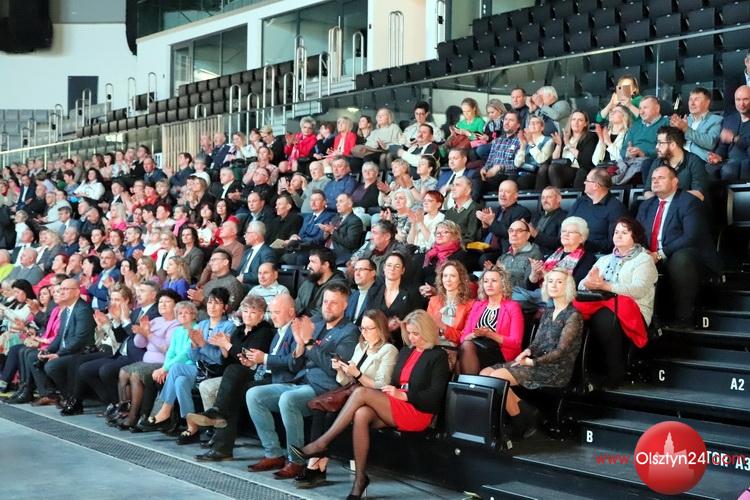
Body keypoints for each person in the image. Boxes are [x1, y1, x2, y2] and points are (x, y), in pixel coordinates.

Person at [291, 310, 450, 500]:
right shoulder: (406, 351)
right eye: (409, 333)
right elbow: (394, 382)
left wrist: (404, 395)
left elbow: (434, 397)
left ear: (427, 331)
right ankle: (360, 479)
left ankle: (322, 443)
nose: (412, 338)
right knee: (361, 414)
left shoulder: (438, 356)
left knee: (361, 392)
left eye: (416, 333)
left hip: (418, 411)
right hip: (398, 403)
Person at [245, 284, 359, 479]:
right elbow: (295, 364)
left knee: (288, 399)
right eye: (325, 301)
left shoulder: (349, 331)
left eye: (333, 303)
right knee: (254, 395)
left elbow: (334, 369)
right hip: (300, 380)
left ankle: (296, 460)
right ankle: (273, 453)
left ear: (345, 306)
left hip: (324, 388)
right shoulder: (316, 324)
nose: (327, 306)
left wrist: (308, 343)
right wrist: (299, 346)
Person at [296, 309, 398, 488]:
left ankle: (317, 459)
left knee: (331, 413)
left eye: (369, 328)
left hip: (374, 400)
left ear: (380, 329)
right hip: (353, 394)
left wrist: (357, 374)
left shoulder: (388, 350)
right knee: (321, 409)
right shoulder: (361, 346)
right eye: (362, 328)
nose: (364, 332)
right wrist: (341, 370)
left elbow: (381, 385)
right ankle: (315, 464)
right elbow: (347, 382)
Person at [189, 294, 295, 462]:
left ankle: (219, 430)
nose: (248, 315)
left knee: (233, 380)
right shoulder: (238, 330)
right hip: (239, 374)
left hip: (256, 373)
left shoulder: (265, 331)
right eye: (245, 311)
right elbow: (231, 359)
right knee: (231, 382)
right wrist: (225, 349)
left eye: (253, 312)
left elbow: (250, 355)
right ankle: (219, 435)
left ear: (261, 315)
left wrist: (228, 346)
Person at [481, 269, 583, 439]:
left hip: (555, 369)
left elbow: (561, 351)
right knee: (485, 373)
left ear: (568, 287)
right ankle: (526, 412)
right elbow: (536, 343)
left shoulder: (573, 316)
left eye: (559, 282)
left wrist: (532, 362)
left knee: (496, 377)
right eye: (550, 281)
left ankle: (518, 419)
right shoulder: (548, 312)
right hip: (536, 361)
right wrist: (526, 352)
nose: (553, 285)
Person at [142, 288, 234, 443]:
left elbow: (220, 359)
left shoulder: (228, 326)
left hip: (214, 372)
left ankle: (165, 411)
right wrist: (194, 345)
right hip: (199, 368)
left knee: (176, 368)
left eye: (217, 303)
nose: (212, 306)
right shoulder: (202, 325)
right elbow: (193, 356)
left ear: (224, 308)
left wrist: (202, 344)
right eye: (210, 302)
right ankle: (192, 427)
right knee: (180, 381)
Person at [577, 217, 658, 387]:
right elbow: (582, 284)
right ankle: (578, 371)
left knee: (604, 316)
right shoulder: (604, 259)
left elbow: (638, 290)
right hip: (602, 306)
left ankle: (615, 371)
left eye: (624, 232)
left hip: (634, 311)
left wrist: (605, 285)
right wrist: (589, 283)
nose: (618, 236)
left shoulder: (644, 260)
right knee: (573, 313)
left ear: (635, 236)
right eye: (616, 232)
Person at [636, 166, 720, 327]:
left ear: (675, 182)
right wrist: (644, 251)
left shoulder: (689, 202)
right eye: (653, 179)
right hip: (653, 255)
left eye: (661, 178)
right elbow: (636, 233)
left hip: (690, 257)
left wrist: (659, 254)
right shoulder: (646, 205)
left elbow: (691, 237)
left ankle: (684, 318)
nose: (655, 181)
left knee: (681, 258)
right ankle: (640, 320)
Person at [108, 290, 182, 428]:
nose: (162, 304)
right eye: (160, 302)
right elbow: (139, 344)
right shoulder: (155, 320)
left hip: (162, 362)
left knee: (136, 375)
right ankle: (125, 410)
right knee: (123, 371)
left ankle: (134, 416)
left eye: (167, 302)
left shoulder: (176, 324)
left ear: (176, 305)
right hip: (146, 361)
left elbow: (166, 348)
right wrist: (142, 332)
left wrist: (148, 334)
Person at [457, 266, 523, 374]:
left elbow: (516, 343)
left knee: (464, 353)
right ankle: (471, 383)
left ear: (503, 284)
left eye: (494, 281)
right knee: (462, 350)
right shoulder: (478, 305)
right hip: (475, 347)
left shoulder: (513, 307)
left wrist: (489, 334)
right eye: (486, 281)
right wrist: (474, 335)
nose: (489, 284)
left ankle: (470, 383)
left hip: (500, 352)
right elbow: (463, 337)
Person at [568, 168, 628, 254]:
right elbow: (565, 225)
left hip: (596, 255)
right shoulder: (580, 202)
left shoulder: (616, 208)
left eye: (587, 180)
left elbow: (613, 243)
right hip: (571, 251)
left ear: (595, 186)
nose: (584, 182)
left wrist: (584, 243)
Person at [613, 96, 669, 185]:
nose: (641, 112)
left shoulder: (666, 123)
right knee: (603, 172)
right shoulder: (635, 125)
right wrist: (628, 153)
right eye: (640, 108)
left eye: (645, 108)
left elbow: (667, 148)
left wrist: (643, 153)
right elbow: (623, 149)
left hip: (652, 162)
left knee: (645, 164)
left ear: (657, 108)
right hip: (631, 162)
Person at [370, 253, 424, 344]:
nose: (392, 268)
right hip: (377, 340)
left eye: (397, 266)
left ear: (403, 270)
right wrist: (385, 327)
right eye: (389, 265)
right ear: (384, 268)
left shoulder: (412, 294)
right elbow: (369, 318)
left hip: (403, 343)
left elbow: (417, 320)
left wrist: (402, 324)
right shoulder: (373, 292)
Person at [643, 126, 707, 201]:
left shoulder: (694, 161)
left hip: (687, 205)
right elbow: (647, 191)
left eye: (661, 143)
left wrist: (669, 198)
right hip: (661, 204)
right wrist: (660, 203)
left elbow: (699, 194)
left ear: (673, 145)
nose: (657, 147)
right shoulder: (657, 162)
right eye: (657, 143)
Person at [475, 179, 532, 264]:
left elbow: (510, 234)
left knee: (485, 259)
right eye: (500, 191)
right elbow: (483, 236)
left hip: (504, 251)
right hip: (484, 248)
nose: (502, 194)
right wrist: (485, 227)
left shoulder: (521, 212)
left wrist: (491, 222)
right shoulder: (496, 210)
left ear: (515, 195)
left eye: (507, 192)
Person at [706, 85, 750, 181]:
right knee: (708, 168)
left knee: (729, 170)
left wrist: (734, 139)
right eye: (738, 100)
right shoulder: (730, 119)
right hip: (728, 160)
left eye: (745, 99)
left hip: (745, 161)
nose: (741, 104)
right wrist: (719, 156)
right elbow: (723, 145)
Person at [426, 260, 476, 345]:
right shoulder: (433, 301)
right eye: (445, 276)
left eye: (452, 276)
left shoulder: (470, 305)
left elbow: (464, 337)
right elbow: (426, 329)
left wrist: (443, 326)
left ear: (460, 279)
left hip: (455, 346)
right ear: (441, 279)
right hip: (433, 344)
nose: (448, 279)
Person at [547, 110, 598, 188]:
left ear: (585, 124)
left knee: (554, 168)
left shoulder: (590, 137)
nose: (576, 122)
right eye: (573, 119)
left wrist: (568, 145)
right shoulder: (565, 136)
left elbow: (586, 160)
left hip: (577, 169)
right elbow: (554, 159)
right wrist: (559, 145)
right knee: (547, 168)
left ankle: (557, 193)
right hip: (561, 169)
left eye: (580, 120)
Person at [669, 87, 722, 163]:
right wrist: (674, 130)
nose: (692, 103)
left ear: (707, 102)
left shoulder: (716, 120)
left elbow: (710, 143)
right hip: (677, 157)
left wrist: (685, 129)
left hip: (697, 160)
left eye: (696, 99)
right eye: (690, 99)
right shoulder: (685, 120)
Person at [295, 248, 348, 318]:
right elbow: (296, 306)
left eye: (313, 262)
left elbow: (326, 315)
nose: (309, 266)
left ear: (326, 265)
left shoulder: (339, 287)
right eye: (309, 261)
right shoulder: (307, 284)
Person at [495, 219, 544, 289]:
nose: (514, 234)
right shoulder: (503, 257)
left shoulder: (534, 255)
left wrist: (504, 280)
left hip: (519, 293)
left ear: (528, 235)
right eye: (511, 231)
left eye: (519, 231)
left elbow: (528, 286)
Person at [420, 220, 466, 285]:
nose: (440, 235)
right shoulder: (430, 254)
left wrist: (434, 289)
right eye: (438, 233)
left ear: (455, 235)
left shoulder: (461, 255)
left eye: (445, 232)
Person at [237, 221, 276, 290]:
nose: (244, 236)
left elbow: (266, 274)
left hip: (254, 287)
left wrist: (244, 277)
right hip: (239, 284)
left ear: (255, 236)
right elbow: (238, 272)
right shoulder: (247, 252)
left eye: (247, 233)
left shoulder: (267, 252)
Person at [443, 177, 482, 245]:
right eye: (453, 185)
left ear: (467, 191)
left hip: (463, 248)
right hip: (447, 247)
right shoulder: (449, 212)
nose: (453, 189)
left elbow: (471, 238)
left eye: (457, 185)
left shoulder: (475, 209)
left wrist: (451, 244)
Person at [529, 187, 567, 257]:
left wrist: (535, 234)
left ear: (559, 199)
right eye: (543, 198)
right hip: (529, 254)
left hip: (549, 257)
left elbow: (560, 243)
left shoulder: (564, 217)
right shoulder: (537, 216)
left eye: (549, 197)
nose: (545, 200)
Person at [345, 258, 383, 325]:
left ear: (373, 273)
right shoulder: (353, 296)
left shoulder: (381, 294)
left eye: (361, 269)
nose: (357, 273)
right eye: (356, 270)